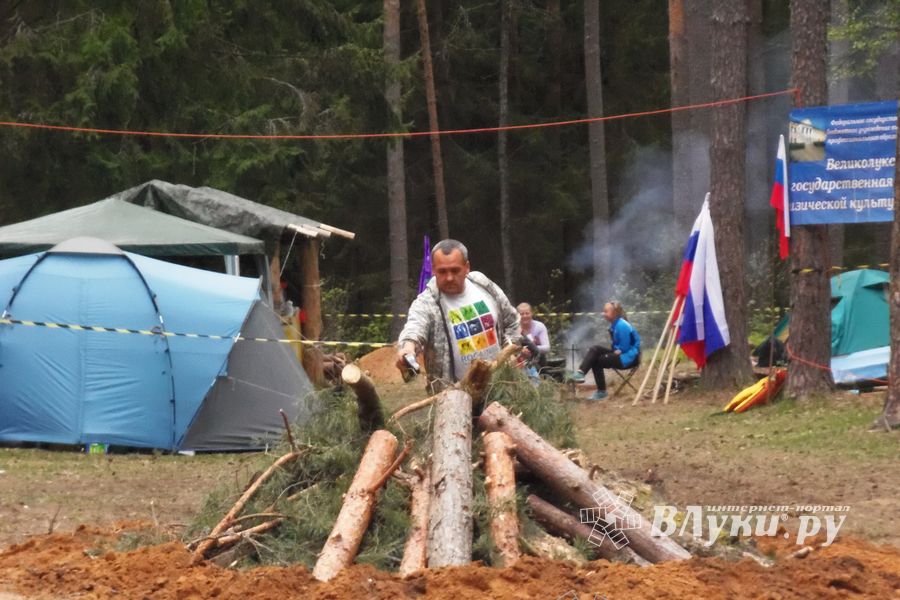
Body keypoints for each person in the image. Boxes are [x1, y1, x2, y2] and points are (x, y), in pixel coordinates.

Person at [396, 239, 520, 392]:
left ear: (467, 267)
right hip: (455, 399)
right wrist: (408, 348)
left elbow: (512, 321)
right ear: (433, 269)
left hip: (500, 388)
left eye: (455, 270)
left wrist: (509, 356)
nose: (449, 277)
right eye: (442, 271)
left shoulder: (483, 285)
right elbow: (414, 328)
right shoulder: (427, 302)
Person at [570, 301, 640, 401]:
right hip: (621, 354)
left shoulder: (622, 325)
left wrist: (619, 350)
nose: (604, 314)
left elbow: (625, 347)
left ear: (614, 313)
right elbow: (617, 347)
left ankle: (601, 392)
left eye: (606, 311)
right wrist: (616, 351)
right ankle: (580, 373)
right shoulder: (615, 324)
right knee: (595, 349)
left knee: (597, 361)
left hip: (630, 357)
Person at [517, 303, 550, 378]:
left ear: (531, 313)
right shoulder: (514, 328)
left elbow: (547, 347)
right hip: (519, 361)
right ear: (517, 315)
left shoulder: (539, 326)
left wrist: (532, 348)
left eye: (527, 313)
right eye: (522, 314)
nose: (525, 316)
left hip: (538, 361)